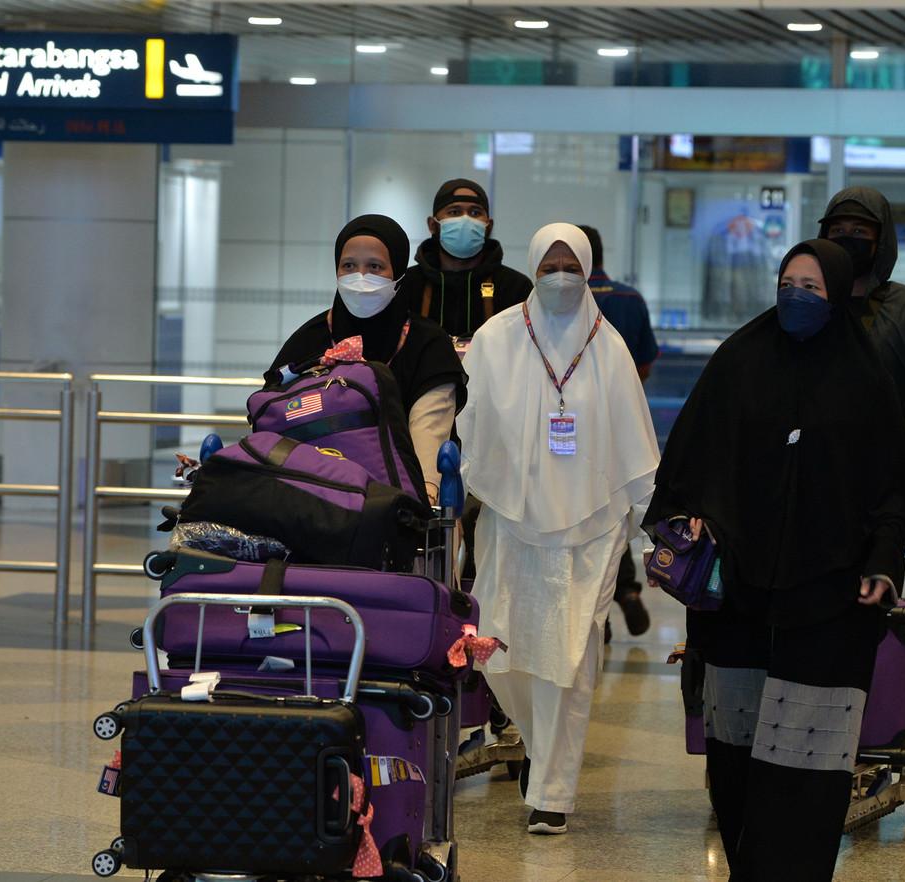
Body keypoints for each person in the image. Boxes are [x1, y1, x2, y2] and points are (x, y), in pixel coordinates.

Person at [644, 239, 905, 880]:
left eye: (813, 288)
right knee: (736, 761)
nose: (796, 296)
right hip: (737, 596)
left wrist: (881, 562)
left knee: (808, 762)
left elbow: (889, 488)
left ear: (840, 294)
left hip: (828, 603)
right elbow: (689, 458)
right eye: (787, 281)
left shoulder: (864, 376)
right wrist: (689, 516)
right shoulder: (741, 358)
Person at [458, 223, 659, 835]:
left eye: (573, 264)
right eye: (550, 264)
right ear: (532, 267)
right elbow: (473, 421)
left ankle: (552, 791)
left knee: (571, 658)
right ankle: (536, 748)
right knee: (501, 652)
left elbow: (634, 438)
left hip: (593, 525)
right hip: (512, 519)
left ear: (590, 267)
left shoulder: (609, 344)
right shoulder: (496, 337)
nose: (561, 274)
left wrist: (650, 528)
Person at [272, 214, 466, 502]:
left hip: (398, 505)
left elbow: (430, 432)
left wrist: (422, 498)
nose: (360, 277)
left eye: (375, 267)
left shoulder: (427, 345)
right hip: (310, 502)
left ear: (398, 272)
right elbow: (275, 417)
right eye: (349, 266)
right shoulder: (309, 339)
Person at [818, 187, 905, 465]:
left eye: (859, 232)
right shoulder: (811, 302)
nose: (846, 239)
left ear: (881, 241)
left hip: (884, 477)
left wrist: (899, 463)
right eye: (838, 230)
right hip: (814, 472)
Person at [579, 224, 658, 641]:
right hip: (619, 427)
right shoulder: (630, 298)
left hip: (570, 431)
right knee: (615, 512)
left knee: (584, 517)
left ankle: (601, 610)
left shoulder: (563, 301)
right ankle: (624, 590)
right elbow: (645, 362)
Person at [398, 179, 533, 339]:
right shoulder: (406, 285)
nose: (465, 220)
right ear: (433, 225)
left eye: (475, 213)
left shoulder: (515, 288)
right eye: (454, 212)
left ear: (488, 226)